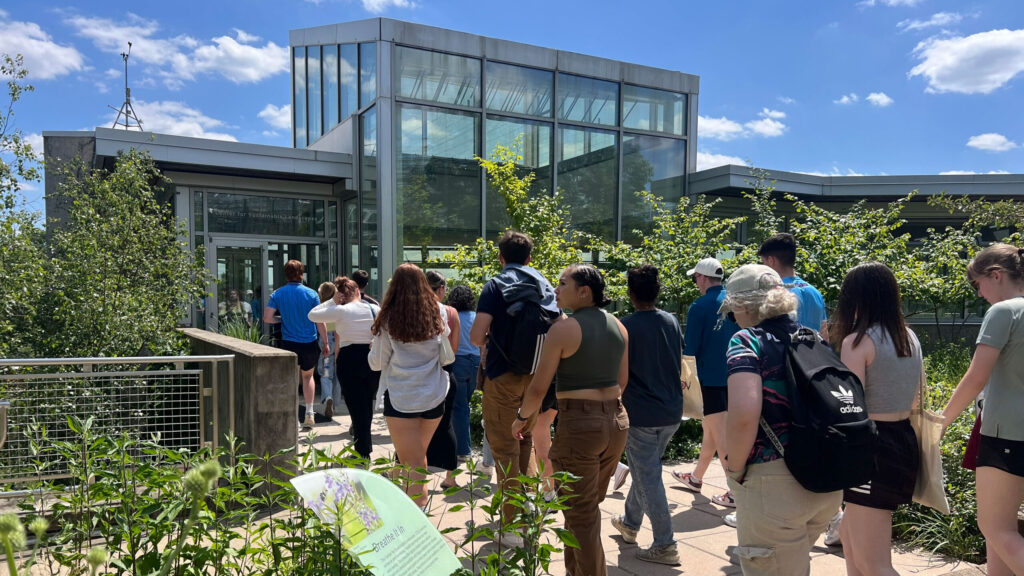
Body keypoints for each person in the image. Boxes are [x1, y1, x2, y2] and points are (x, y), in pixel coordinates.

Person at [719, 264, 843, 576]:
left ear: (744, 306)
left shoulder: (746, 341)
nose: (734, 318)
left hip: (774, 484)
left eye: (733, 310)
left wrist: (734, 469)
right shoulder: (813, 337)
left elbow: (745, 415)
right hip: (825, 481)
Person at [513, 264, 629, 576]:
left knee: (581, 513)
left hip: (580, 426)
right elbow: (622, 381)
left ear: (584, 291)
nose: (555, 289)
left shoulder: (563, 329)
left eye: (563, 283)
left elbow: (538, 388)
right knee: (582, 510)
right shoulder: (619, 326)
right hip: (617, 421)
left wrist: (522, 418)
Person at [828, 262, 922, 576]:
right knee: (850, 542)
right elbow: (915, 397)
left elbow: (848, 406)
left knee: (873, 562)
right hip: (902, 438)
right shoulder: (908, 336)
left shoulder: (857, 341)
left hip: (870, 445)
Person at [941, 243, 1024, 576]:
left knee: (996, 528)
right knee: (1001, 534)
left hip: (1005, 432)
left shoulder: (1004, 312)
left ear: (996, 275)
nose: (979, 294)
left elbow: (976, 377)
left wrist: (941, 421)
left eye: (978, 285)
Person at [470, 231, 561, 535]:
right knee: (527, 441)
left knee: (504, 447)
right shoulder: (546, 284)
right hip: (537, 377)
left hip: (503, 376)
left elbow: (476, 335)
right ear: (530, 258)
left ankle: (511, 526)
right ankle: (528, 507)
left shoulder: (495, 285)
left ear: (501, 258)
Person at [609, 265, 683, 566]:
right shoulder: (671, 321)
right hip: (672, 411)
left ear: (629, 293)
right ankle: (629, 523)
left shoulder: (623, 326)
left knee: (648, 477)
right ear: (658, 291)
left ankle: (665, 543)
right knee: (645, 472)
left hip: (640, 413)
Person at [368, 263, 450, 506]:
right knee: (414, 459)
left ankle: (418, 514)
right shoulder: (439, 311)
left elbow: (376, 363)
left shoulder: (389, 316)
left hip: (402, 397)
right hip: (434, 395)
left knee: (413, 464)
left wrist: (372, 349)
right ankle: (409, 508)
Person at [672, 257, 739, 516]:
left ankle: (734, 490)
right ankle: (696, 477)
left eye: (695, 278)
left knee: (718, 434)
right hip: (734, 375)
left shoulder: (699, 306)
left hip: (708, 379)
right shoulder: (734, 301)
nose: (695, 283)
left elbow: (690, 349)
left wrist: (683, 378)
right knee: (711, 429)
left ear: (702, 277)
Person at [308, 276, 381, 458]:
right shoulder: (374, 309)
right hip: (372, 357)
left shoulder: (340, 310)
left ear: (342, 294)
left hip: (349, 358)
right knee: (366, 404)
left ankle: (363, 452)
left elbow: (313, 314)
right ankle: (364, 448)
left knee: (356, 406)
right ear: (358, 291)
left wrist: (332, 301)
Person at [263, 260, 327, 430]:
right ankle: (310, 412)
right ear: (301, 273)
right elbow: (319, 321)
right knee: (308, 377)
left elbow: (267, 318)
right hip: (309, 342)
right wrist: (326, 342)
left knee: (291, 380)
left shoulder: (277, 294)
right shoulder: (312, 294)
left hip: (289, 343)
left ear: (286, 273)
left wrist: (282, 318)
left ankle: (293, 417)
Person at [425, 271, 460, 489]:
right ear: (440, 289)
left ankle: (408, 476)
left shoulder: (409, 311)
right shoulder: (450, 312)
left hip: (418, 375)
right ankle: (451, 477)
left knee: (412, 427)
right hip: (445, 372)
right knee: (446, 425)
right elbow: (453, 350)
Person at [757, 233, 826, 331]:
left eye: (764, 262)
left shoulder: (774, 294)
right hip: (814, 345)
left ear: (771, 260)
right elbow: (824, 336)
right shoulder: (815, 293)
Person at [447, 285, 481, 466]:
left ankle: (463, 451)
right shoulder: (476, 317)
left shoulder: (452, 316)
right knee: (464, 405)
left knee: (459, 407)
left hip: (458, 362)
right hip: (475, 362)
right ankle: (463, 447)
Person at [314, 282, 340, 419]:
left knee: (325, 372)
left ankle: (328, 397)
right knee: (337, 375)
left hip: (326, 343)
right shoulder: (338, 308)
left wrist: (325, 344)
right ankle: (335, 403)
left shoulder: (320, 308)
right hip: (339, 342)